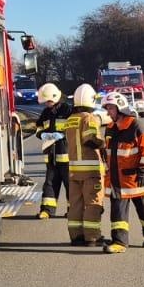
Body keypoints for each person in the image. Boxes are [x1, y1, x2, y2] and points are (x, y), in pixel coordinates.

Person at [102, 92, 144, 251]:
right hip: (117, 181)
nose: (108, 112)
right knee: (117, 213)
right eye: (107, 108)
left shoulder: (135, 126)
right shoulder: (110, 128)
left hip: (136, 179)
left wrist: (142, 171)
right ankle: (119, 242)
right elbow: (109, 154)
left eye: (110, 108)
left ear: (120, 108)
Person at [59, 83, 107, 245]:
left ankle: (76, 236)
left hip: (73, 170)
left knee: (75, 204)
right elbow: (90, 139)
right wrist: (104, 144)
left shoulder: (70, 120)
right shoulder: (89, 118)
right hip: (90, 171)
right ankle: (92, 237)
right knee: (93, 203)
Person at [30, 82, 71, 218]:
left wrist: (62, 135)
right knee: (49, 184)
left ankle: (73, 211)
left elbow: (72, 129)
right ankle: (47, 210)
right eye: (45, 102)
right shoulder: (46, 113)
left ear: (54, 98)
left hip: (66, 155)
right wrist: (42, 134)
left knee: (70, 184)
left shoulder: (67, 110)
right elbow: (39, 128)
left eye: (48, 101)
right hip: (51, 156)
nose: (46, 104)